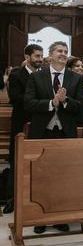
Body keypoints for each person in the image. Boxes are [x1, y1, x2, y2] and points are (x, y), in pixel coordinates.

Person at [24, 41, 83, 234]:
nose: (63, 54)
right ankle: (40, 217)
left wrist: (66, 101)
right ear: (50, 55)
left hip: (65, 131)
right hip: (42, 131)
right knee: (40, 175)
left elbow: (80, 106)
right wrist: (52, 102)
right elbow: (28, 103)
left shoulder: (75, 78)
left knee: (63, 176)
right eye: (59, 51)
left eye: (66, 51)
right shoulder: (36, 77)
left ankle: (60, 216)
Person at [6, 44, 43, 214]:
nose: (40, 59)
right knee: (17, 159)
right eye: (36, 56)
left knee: (37, 159)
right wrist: (36, 99)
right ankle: (13, 198)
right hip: (21, 121)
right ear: (27, 57)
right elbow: (15, 98)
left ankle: (34, 197)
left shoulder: (43, 75)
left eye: (41, 56)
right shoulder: (16, 75)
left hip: (39, 122)